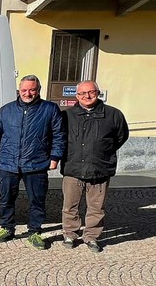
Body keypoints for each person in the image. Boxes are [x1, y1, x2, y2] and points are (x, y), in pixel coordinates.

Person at [0, 75, 65, 250]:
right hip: (7, 163)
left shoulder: (50, 109)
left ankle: (35, 231)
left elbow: (59, 135)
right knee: (6, 198)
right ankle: (7, 228)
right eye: (24, 90)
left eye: (32, 90)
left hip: (36, 163)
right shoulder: (6, 110)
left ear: (38, 90)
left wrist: (55, 157)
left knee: (37, 199)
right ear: (19, 90)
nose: (28, 93)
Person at [60, 80, 129, 253]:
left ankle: (91, 236)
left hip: (100, 168)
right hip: (73, 168)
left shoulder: (113, 114)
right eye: (82, 93)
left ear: (97, 93)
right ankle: (70, 233)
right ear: (77, 96)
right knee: (70, 206)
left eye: (90, 92)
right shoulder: (67, 115)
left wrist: (103, 151)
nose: (87, 96)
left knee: (96, 208)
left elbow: (121, 136)